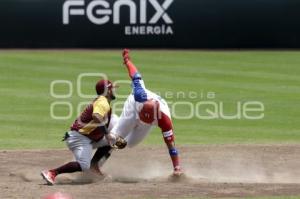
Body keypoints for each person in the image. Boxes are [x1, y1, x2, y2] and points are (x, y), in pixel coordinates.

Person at [94, 49, 183, 176]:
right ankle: (96, 165)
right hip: (132, 109)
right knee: (115, 137)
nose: (142, 120)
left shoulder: (165, 120)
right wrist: (127, 60)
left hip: (145, 117)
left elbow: (171, 145)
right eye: (142, 117)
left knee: (129, 144)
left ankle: (115, 129)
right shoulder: (139, 94)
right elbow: (135, 74)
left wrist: (177, 168)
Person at [41, 79, 120, 185]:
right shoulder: (103, 102)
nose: (114, 91)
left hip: (87, 137)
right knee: (83, 165)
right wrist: (107, 134)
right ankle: (52, 173)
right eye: (112, 89)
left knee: (115, 140)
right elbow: (96, 116)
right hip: (79, 138)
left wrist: (109, 137)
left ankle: (94, 166)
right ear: (108, 91)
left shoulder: (103, 102)